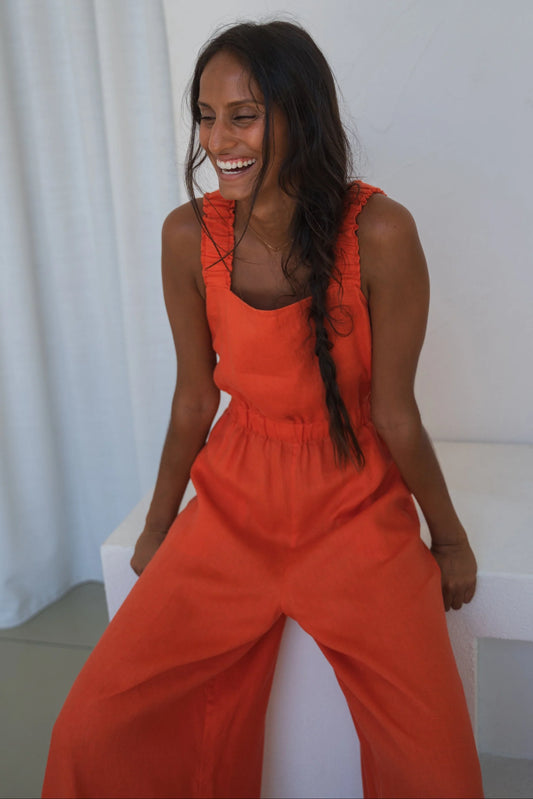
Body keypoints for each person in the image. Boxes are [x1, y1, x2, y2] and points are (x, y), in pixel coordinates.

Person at [42, 19, 484, 799]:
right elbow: (194, 394)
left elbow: (394, 413)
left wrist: (447, 540)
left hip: (356, 509)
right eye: (205, 116)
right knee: (91, 725)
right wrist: (157, 526)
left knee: (436, 769)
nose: (218, 140)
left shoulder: (380, 232)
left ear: (299, 116)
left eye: (242, 116)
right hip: (231, 505)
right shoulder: (187, 236)